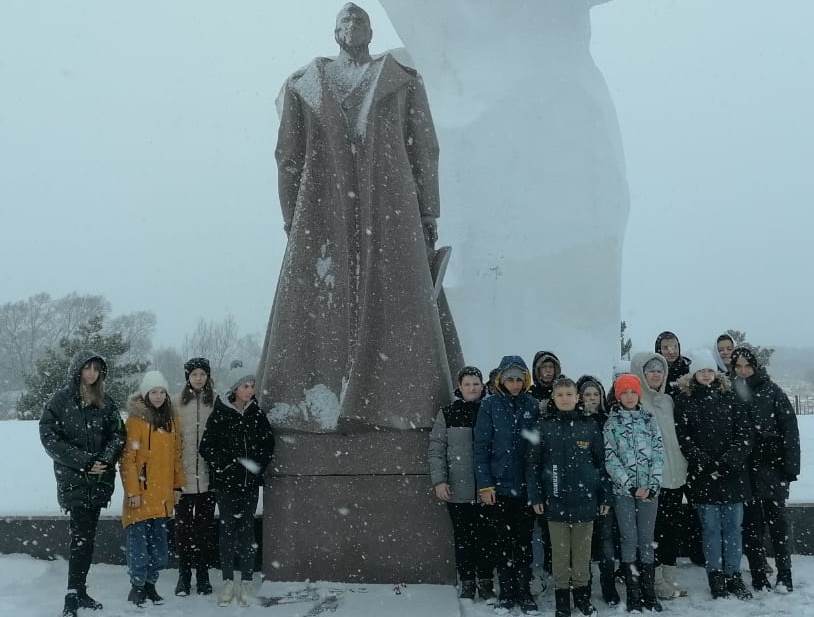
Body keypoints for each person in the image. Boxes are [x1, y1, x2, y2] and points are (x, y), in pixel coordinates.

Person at [40, 352, 125, 617]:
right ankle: (72, 594)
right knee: (80, 538)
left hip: (98, 482)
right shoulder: (60, 400)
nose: (91, 373)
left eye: (96, 369)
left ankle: (80, 590)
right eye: (87, 368)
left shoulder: (105, 402)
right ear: (77, 370)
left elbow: (118, 435)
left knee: (87, 540)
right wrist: (85, 462)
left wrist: (104, 460)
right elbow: (50, 438)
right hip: (75, 482)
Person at [674, 350, 753, 601]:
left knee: (733, 529)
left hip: (733, 476)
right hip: (703, 476)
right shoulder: (685, 400)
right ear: (694, 374)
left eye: (709, 370)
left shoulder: (731, 397)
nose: (706, 375)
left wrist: (728, 461)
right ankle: (716, 575)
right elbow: (684, 438)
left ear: (716, 373)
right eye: (701, 371)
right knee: (710, 529)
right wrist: (706, 463)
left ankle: (734, 575)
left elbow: (744, 435)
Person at [528, 377, 609, 617]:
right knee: (561, 556)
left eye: (569, 394)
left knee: (582, 555)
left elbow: (602, 465)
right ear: (554, 398)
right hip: (555, 502)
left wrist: (605, 497)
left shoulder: (589, 425)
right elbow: (532, 465)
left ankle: (583, 599)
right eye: (560, 394)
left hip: (585, 501)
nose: (565, 398)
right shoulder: (543, 426)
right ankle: (562, 601)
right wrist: (536, 496)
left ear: (577, 397)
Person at [200, 374, 275, 608]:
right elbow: (207, 446)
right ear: (234, 388)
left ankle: (246, 580)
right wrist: (225, 467)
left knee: (247, 532)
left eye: (252, 386)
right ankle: (228, 580)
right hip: (226, 486)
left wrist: (256, 468)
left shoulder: (257, 414)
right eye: (245, 386)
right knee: (227, 531)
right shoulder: (221, 413)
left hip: (249, 485)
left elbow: (268, 444)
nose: (250, 390)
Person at [731, 346, 800, 593]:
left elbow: (790, 430)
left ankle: (785, 575)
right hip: (745, 471)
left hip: (773, 469)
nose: (743, 371)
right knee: (752, 527)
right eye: (738, 366)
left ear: (755, 366)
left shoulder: (772, 392)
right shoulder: (731, 392)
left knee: (778, 526)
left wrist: (790, 468)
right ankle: (759, 575)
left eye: (747, 366)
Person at [474, 356, 539, 615]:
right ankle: (507, 592)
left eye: (519, 379)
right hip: (498, 488)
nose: (514, 384)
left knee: (524, 542)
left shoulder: (532, 405)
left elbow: (536, 447)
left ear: (525, 380)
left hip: (524, 487)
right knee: (502, 543)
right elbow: (480, 448)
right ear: (501, 380)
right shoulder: (490, 406)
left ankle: (524, 591)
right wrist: (485, 485)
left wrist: (535, 487)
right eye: (510, 379)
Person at [429, 366, 496, 603]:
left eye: (476, 384)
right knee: (464, 538)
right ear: (459, 386)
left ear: (482, 386)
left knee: (487, 538)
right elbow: (436, 450)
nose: (472, 388)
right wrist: (439, 480)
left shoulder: (490, 410)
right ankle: (467, 582)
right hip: (458, 489)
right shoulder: (448, 413)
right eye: (467, 384)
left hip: (486, 490)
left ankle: (486, 582)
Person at [121, 371, 184, 606]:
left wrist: (178, 485)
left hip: (163, 496)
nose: (158, 396)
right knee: (139, 547)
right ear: (145, 394)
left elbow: (176, 456)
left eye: (162, 392)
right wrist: (133, 492)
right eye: (153, 392)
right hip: (141, 494)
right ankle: (137, 586)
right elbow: (128, 459)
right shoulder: (135, 421)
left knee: (159, 550)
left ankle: (150, 585)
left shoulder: (171, 420)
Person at [604, 374, 664, 613]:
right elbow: (611, 457)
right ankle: (633, 593)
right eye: (624, 392)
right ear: (618, 396)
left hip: (649, 492)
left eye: (632, 392)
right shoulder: (612, 423)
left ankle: (649, 593)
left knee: (646, 539)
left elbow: (658, 453)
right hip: (624, 492)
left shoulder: (649, 420)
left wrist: (651, 485)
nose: (629, 396)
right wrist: (629, 485)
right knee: (629, 538)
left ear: (639, 394)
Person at [630, 352, 688, 600]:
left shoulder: (668, 400)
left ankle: (669, 578)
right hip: (652, 481)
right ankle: (653, 580)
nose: (656, 374)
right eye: (650, 369)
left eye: (660, 369)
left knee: (671, 530)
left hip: (676, 476)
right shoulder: (635, 401)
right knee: (653, 533)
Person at [174, 357, 217, 596]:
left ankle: (203, 575)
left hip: (208, 479)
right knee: (182, 531)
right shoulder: (176, 402)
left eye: (202, 374)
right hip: (182, 479)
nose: (198, 378)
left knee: (204, 531)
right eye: (194, 374)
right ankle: (184, 577)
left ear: (208, 376)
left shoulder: (217, 401)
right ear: (188, 378)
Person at [576, 375, 620, 607]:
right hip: (582, 490)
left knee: (606, 542)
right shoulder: (575, 422)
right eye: (587, 395)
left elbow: (608, 460)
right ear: (580, 398)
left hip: (604, 487)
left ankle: (609, 585)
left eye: (596, 394)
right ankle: (584, 586)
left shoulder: (608, 420)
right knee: (583, 542)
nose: (592, 399)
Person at [654, 331, 690, 396]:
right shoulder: (652, 371)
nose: (671, 352)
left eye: (674, 347)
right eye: (666, 348)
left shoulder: (690, 368)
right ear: (659, 350)